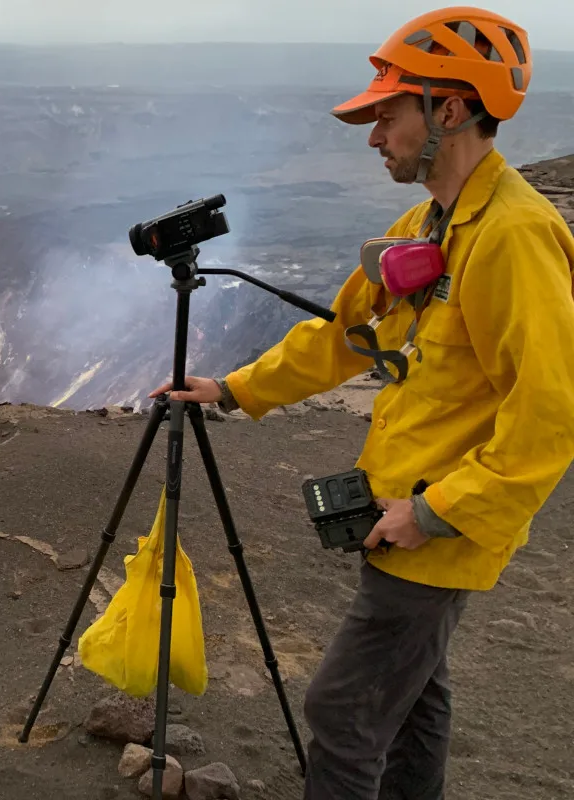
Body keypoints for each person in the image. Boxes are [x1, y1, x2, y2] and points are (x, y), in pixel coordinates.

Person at [148, 7, 574, 800]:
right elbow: (343, 336)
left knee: (342, 711)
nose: (374, 135)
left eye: (388, 113)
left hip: (437, 528)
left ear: (450, 110)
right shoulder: (428, 224)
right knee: (413, 701)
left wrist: (436, 511)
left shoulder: (513, 236)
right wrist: (233, 389)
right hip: (399, 507)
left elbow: (550, 415)